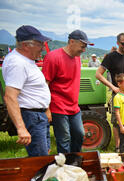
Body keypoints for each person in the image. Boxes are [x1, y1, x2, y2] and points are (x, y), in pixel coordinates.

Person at [2, 25, 51, 157]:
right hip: (32, 116)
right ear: (26, 45)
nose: (42, 48)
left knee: (44, 155)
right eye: (40, 44)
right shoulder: (17, 63)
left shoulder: (26, 60)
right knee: (39, 161)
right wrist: (21, 128)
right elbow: (10, 97)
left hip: (38, 116)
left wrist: (45, 109)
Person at [42, 30, 93, 154]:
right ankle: (65, 167)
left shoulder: (77, 58)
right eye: (82, 46)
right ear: (71, 42)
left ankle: (74, 160)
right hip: (58, 106)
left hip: (73, 107)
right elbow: (44, 85)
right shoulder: (53, 57)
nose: (84, 50)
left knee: (80, 134)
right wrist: (47, 109)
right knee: (64, 139)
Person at [95, 32, 124, 153]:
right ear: (117, 43)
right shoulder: (111, 57)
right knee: (117, 121)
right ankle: (118, 147)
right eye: (123, 44)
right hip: (118, 95)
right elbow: (98, 74)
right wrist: (112, 87)